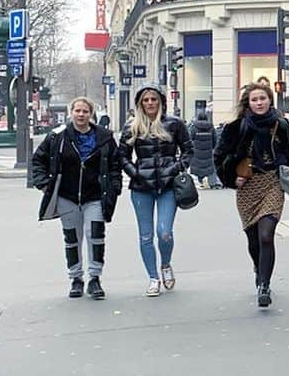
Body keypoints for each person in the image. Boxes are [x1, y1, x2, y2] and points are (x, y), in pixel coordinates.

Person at [214, 82, 289, 308]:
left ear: (270, 100)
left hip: (271, 182)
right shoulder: (236, 127)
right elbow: (220, 156)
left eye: (263, 98)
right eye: (254, 99)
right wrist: (231, 178)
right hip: (247, 187)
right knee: (253, 239)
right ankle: (258, 266)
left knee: (266, 235)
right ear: (248, 103)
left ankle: (264, 284)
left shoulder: (281, 125)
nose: (259, 103)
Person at [30, 96, 122, 299]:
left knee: (95, 234)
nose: (81, 115)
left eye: (85, 111)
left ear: (91, 114)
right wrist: (44, 184)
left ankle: (95, 279)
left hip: (95, 195)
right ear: (71, 112)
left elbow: (115, 164)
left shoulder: (105, 137)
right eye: (77, 111)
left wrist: (114, 187)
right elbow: (38, 160)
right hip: (67, 196)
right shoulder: (57, 137)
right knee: (72, 238)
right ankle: (76, 279)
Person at [119, 86, 192, 296]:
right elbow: (122, 156)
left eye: (153, 99)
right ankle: (152, 278)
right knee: (145, 236)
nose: (150, 103)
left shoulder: (174, 124)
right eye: (145, 100)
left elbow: (188, 151)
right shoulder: (132, 127)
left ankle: (166, 264)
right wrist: (135, 173)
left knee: (165, 233)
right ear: (140, 104)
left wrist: (175, 168)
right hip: (142, 187)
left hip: (168, 186)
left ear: (160, 102)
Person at [188, 107, 220, 188]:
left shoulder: (194, 127)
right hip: (208, 152)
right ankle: (212, 183)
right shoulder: (211, 127)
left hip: (197, 151)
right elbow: (214, 139)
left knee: (198, 167)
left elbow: (190, 139)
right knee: (210, 167)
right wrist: (213, 147)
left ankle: (200, 182)